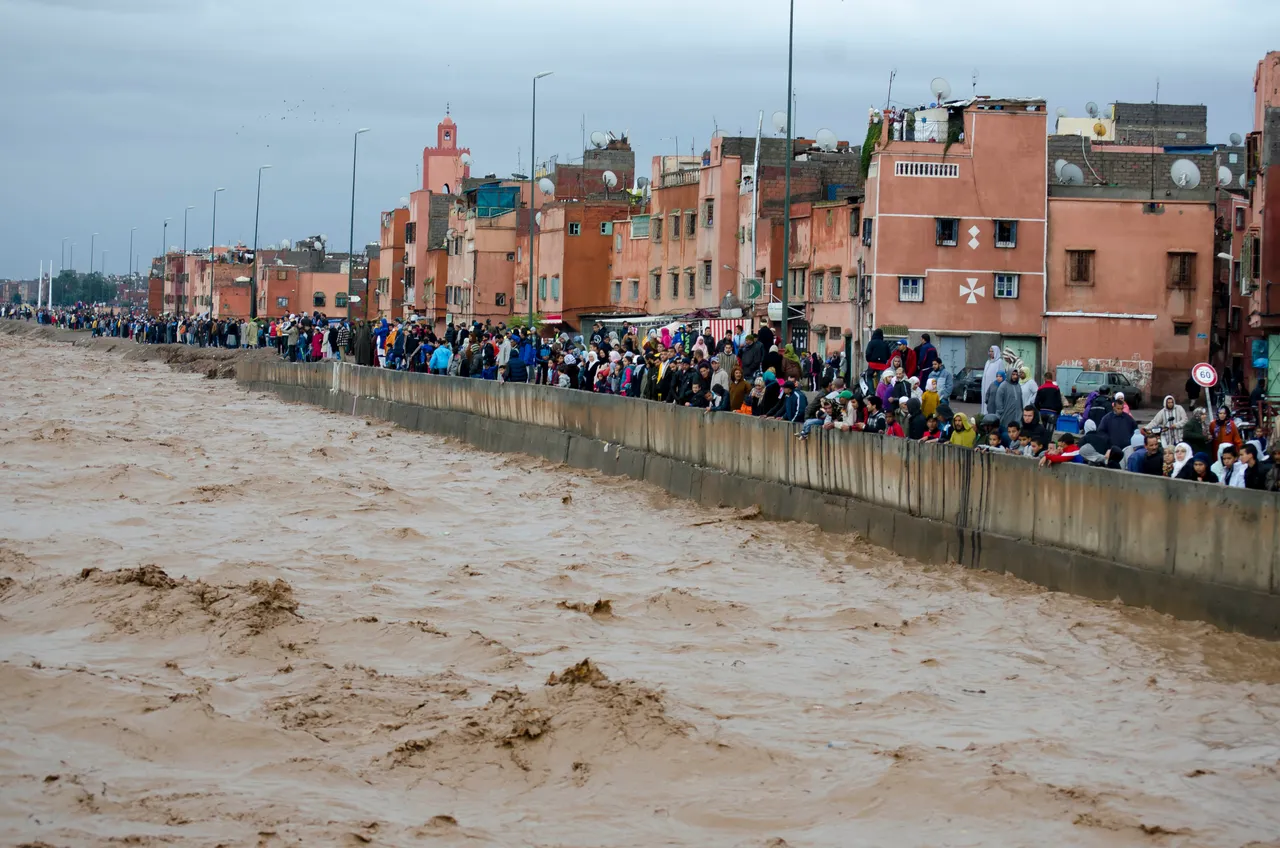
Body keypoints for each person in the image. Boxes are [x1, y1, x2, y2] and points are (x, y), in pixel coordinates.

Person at [980, 345, 1003, 415]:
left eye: (992, 351)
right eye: (989, 351)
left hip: (994, 386)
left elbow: (1001, 375)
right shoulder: (988, 362)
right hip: (986, 385)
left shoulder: (999, 362)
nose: (990, 353)